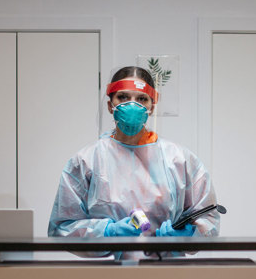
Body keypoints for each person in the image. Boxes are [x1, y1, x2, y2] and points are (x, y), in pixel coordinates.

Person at [48, 66, 219, 242]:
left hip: (165, 266)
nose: (132, 105)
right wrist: (107, 232)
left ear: (151, 107)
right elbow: (61, 227)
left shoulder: (180, 159)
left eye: (142, 99)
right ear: (110, 105)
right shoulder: (86, 161)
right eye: (123, 97)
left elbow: (208, 220)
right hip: (108, 267)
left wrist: (187, 236)